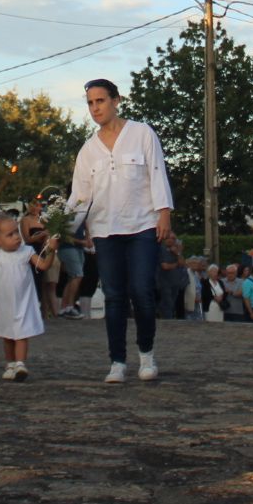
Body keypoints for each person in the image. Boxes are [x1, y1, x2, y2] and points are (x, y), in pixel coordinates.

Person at [65, 79, 175, 383]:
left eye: (100, 101)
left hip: (142, 224)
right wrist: (60, 227)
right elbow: (80, 195)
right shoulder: (88, 149)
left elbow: (157, 172)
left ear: (116, 101)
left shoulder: (142, 134)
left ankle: (146, 355)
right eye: (90, 102)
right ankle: (117, 361)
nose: (95, 108)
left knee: (141, 290)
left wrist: (163, 213)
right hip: (105, 228)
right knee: (113, 295)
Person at [0, 214, 52, 380]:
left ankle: (20, 363)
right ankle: (10, 363)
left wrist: (52, 250)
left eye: (17, 233)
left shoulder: (26, 251)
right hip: (4, 302)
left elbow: (43, 265)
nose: (16, 237)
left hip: (23, 301)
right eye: (10, 234)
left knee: (21, 333)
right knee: (7, 334)